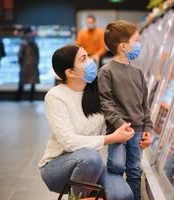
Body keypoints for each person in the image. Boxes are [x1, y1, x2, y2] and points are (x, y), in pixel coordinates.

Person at [39, 44, 151, 200]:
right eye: (83, 59)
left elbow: (120, 114)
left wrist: (144, 131)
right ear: (70, 72)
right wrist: (111, 139)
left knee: (123, 194)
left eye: (88, 56)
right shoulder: (55, 96)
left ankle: (85, 193)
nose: (91, 61)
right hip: (56, 168)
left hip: (91, 167)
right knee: (91, 157)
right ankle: (77, 198)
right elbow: (69, 142)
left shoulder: (96, 91)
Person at [98, 20, 153, 200]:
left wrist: (147, 129)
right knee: (116, 166)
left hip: (137, 131)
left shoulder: (138, 72)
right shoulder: (106, 71)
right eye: (136, 41)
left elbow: (145, 103)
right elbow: (106, 103)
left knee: (135, 170)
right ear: (123, 46)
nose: (139, 45)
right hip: (118, 131)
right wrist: (121, 124)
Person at [16, 29, 40, 101]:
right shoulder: (35, 44)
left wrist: (20, 63)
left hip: (25, 65)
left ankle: (18, 97)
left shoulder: (23, 44)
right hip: (33, 65)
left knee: (22, 81)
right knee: (33, 82)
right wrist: (36, 62)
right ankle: (31, 98)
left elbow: (20, 56)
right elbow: (38, 55)